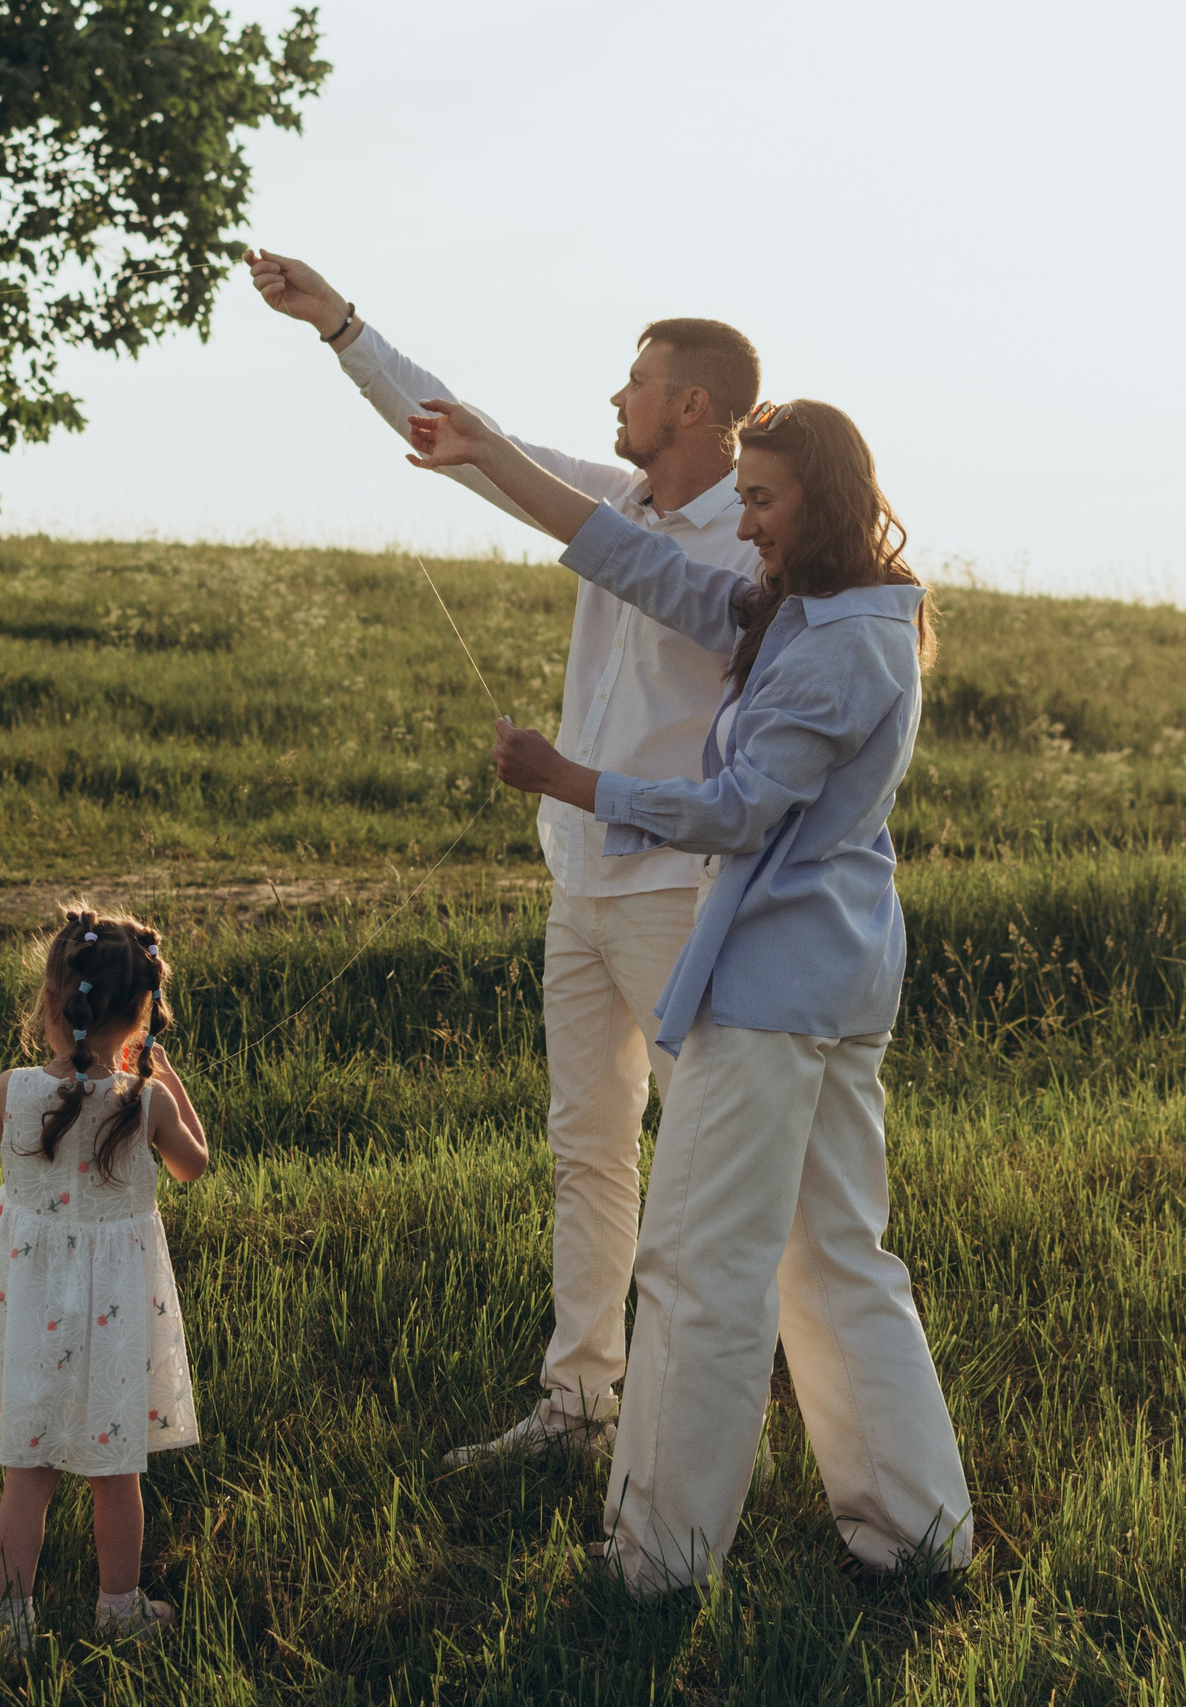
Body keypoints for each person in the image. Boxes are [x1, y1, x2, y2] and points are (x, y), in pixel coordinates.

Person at [406, 395, 974, 1595]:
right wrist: (492, 456)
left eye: (762, 500)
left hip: (771, 988)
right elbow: (642, 566)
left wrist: (571, 779)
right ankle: (914, 1533)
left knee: (695, 1267)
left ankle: (657, 1561)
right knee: (837, 1259)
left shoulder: (832, 643)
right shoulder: (808, 611)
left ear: (824, 497)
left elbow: (736, 810)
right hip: (836, 974)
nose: (746, 523)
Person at [248, 250, 767, 1467]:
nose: (616, 401)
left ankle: (707, 1420)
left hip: (679, 895)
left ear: (692, 404)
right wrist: (341, 327)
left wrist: (497, 459)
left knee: (708, 1165)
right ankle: (579, 1408)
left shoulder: (754, 541)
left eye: (636, 383)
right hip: (578, 882)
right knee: (586, 1153)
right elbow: (463, 430)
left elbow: (532, 487)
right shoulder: (615, 497)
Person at [0, 909, 211, 1650]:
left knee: (29, 1471)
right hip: (114, 1317)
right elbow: (195, 1162)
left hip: (36, 1306)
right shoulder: (147, 1102)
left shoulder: (10, 1090)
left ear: (52, 1005)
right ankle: (119, 1606)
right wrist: (162, 1070)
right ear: (144, 1013)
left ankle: (10, 1622)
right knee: (115, 1472)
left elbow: (34, 1156)